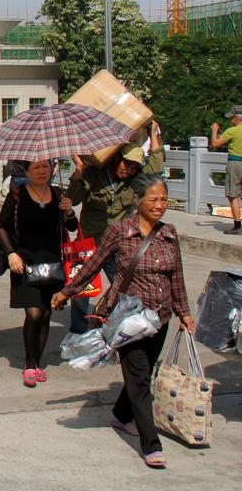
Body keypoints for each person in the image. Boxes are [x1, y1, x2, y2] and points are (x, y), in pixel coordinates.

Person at [52, 174, 193, 470]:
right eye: (153, 200)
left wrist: (185, 313)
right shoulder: (120, 231)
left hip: (161, 317)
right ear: (137, 200)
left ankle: (120, 413)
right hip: (129, 319)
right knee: (141, 379)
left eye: (163, 200)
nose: (159, 206)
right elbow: (93, 265)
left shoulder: (169, 233)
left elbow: (176, 276)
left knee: (145, 374)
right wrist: (67, 291)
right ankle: (151, 445)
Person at [66, 121, 164, 333]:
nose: (128, 170)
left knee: (125, 289)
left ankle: (118, 329)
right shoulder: (93, 174)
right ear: (116, 159)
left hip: (117, 245)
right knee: (81, 290)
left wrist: (153, 133)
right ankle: (79, 331)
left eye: (133, 167)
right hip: (89, 242)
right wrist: (78, 172)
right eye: (126, 164)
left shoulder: (134, 181)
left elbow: (156, 166)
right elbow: (72, 200)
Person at [0, 160, 79, 387]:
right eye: (36, 168)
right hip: (24, 263)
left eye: (46, 167)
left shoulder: (58, 193)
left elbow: (71, 227)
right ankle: (29, 363)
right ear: (26, 171)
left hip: (54, 264)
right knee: (33, 313)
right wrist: (11, 253)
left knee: (45, 315)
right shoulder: (17, 194)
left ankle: (38, 362)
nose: (42, 172)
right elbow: (1, 226)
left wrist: (69, 211)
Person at [211, 104, 242, 234]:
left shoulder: (232, 131)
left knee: (233, 195)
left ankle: (237, 226)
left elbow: (215, 144)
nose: (230, 120)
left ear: (236, 118)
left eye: (231, 117)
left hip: (235, 163)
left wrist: (214, 130)